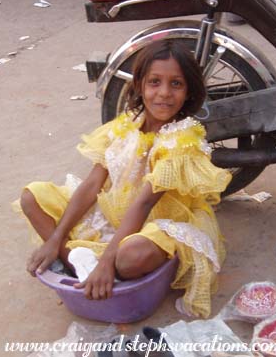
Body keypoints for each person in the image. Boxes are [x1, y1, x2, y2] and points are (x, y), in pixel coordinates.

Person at [18, 40, 232, 318]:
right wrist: (53, 238)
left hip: (158, 223)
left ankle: (88, 262)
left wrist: (107, 260)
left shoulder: (183, 139)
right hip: (114, 214)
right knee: (31, 197)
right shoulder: (125, 124)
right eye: (155, 82)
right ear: (140, 85)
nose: (164, 93)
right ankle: (76, 261)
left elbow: (144, 205)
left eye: (176, 84)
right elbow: (93, 184)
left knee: (130, 257)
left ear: (188, 90)